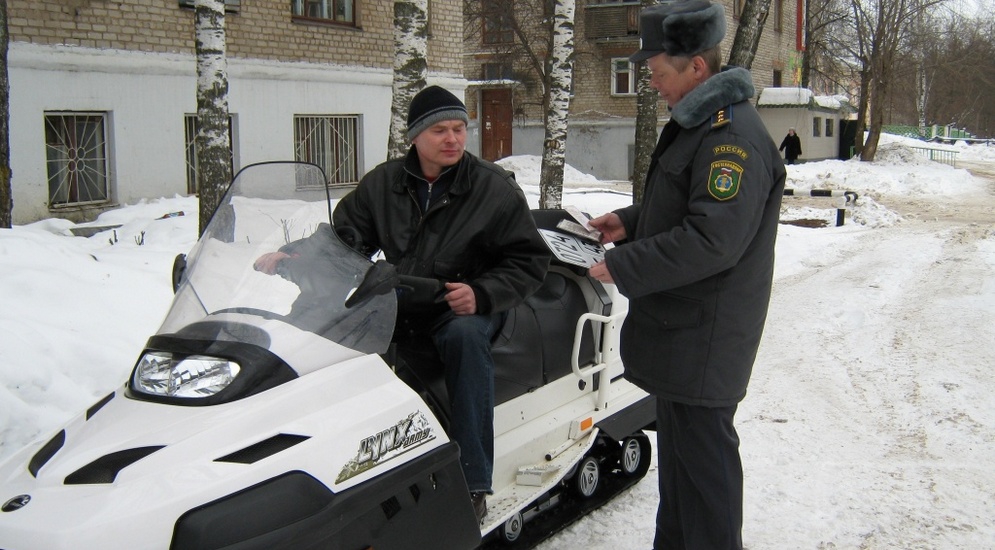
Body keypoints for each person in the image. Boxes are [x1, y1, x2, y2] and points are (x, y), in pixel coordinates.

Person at [257, 85, 550, 524]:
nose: (452, 138)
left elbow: (528, 260)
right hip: (402, 298)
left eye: (458, 128)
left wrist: (483, 293)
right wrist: (293, 255)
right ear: (414, 136)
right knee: (328, 333)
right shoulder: (384, 183)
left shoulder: (493, 189)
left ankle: (472, 480)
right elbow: (344, 240)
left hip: (464, 306)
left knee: (464, 341)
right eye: (439, 130)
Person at [586, 2, 786, 549]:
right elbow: (686, 207)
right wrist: (627, 225)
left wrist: (623, 265)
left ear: (697, 67)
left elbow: (712, 241)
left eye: (657, 74)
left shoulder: (731, 138)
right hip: (685, 333)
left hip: (705, 337)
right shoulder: (700, 126)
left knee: (705, 480)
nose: (651, 84)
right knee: (680, 479)